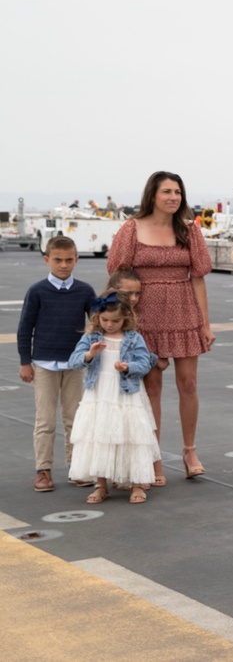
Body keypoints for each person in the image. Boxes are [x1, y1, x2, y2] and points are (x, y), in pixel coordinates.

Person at [107, 171, 215, 486]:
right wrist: (118, 320)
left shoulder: (189, 231)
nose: (173, 197)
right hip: (144, 316)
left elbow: (198, 276)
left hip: (184, 311)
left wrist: (205, 324)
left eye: (177, 192)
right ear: (152, 195)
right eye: (166, 191)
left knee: (189, 384)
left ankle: (190, 452)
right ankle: (153, 458)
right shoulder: (131, 229)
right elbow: (117, 274)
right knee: (152, 388)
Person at [17, 235, 97, 492]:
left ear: (76, 259)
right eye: (57, 260)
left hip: (75, 365)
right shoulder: (37, 291)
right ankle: (44, 470)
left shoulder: (85, 291)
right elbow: (24, 328)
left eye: (69, 260)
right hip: (43, 364)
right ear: (46, 260)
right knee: (45, 420)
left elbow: (96, 324)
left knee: (75, 418)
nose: (63, 265)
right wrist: (25, 362)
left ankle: (77, 467)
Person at [67, 292, 160, 505]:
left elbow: (145, 362)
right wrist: (89, 355)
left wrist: (129, 366)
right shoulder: (91, 337)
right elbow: (74, 361)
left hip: (125, 394)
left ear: (126, 318)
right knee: (101, 435)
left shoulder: (134, 338)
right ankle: (101, 484)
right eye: (105, 320)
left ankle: (137, 482)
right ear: (97, 318)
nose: (110, 325)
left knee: (131, 436)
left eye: (116, 321)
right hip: (99, 393)